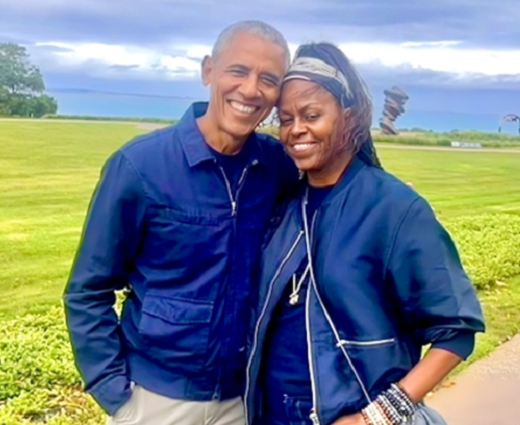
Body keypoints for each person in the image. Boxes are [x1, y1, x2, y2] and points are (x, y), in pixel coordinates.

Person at [63, 20, 300, 425]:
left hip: (244, 400)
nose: (250, 90)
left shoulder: (277, 166)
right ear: (209, 70)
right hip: (155, 400)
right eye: (238, 70)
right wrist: (115, 392)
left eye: (268, 79)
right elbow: (88, 288)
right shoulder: (140, 166)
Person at [244, 42, 486, 425]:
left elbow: (456, 331)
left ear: (349, 117)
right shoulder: (286, 205)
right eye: (285, 119)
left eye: (311, 115)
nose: (296, 129)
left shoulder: (394, 208)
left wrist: (376, 417)